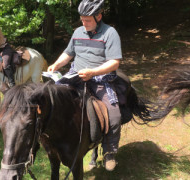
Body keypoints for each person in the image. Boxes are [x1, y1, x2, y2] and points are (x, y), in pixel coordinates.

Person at [47, 0, 122, 171]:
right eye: (82, 19)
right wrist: (56, 65)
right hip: (76, 76)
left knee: (115, 115)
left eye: (87, 20)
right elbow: (68, 53)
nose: (83, 23)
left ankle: (110, 151)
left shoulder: (110, 33)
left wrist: (93, 73)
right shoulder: (78, 32)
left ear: (99, 16)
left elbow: (114, 62)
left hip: (100, 79)